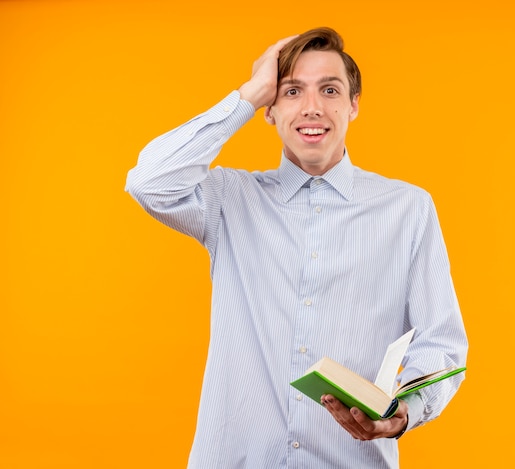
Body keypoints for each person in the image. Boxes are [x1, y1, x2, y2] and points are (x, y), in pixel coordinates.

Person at [126, 27, 468, 469]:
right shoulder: (230, 198)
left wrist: (405, 411)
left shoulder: (408, 209)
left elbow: (441, 343)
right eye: (291, 91)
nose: (312, 108)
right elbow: (149, 181)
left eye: (330, 90)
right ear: (271, 110)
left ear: (354, 105)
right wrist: (247, 96)